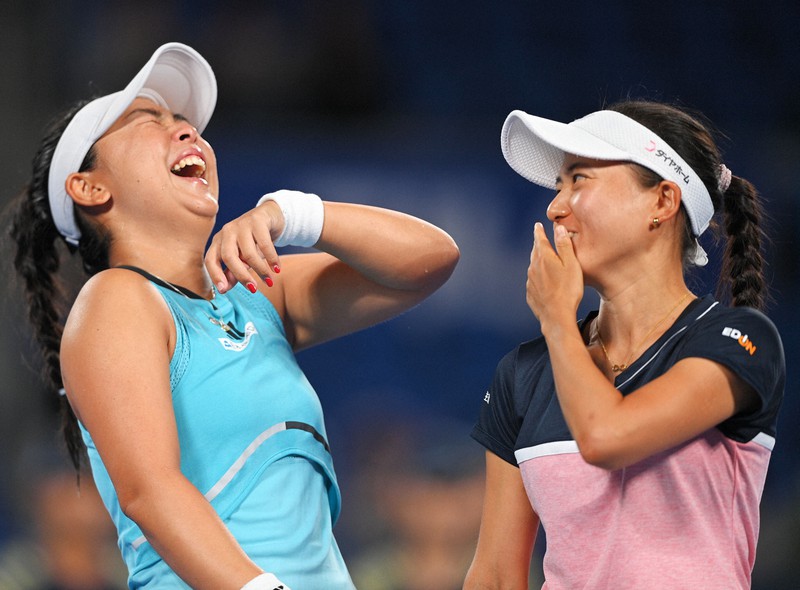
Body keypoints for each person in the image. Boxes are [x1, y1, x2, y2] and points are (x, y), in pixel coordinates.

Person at [9, 42, 459, 590]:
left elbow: (431, 260)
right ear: (90, 187)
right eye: (149, 120)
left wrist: (293, 213)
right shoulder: (116, 299)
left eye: (184, 122)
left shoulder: (255, 296)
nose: (186, 130)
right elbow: (149, 491)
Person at [464, 101, 785, 589]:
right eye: (558, 186)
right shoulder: (523, 373)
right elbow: (494, 576)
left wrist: (557, 320)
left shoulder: (738, 340)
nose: (555, 207)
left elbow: (607, 438)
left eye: (579, 179)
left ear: (662, 201)